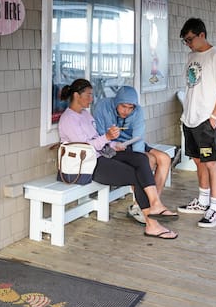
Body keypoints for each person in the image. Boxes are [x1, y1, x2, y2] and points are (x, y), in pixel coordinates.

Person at [58, 78, 178, 239]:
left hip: (104, 154)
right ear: (76, 95)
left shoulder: (85, 115)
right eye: (88, 95)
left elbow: (97, 140)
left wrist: (114, 144)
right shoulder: (68, 119)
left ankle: (156, 203)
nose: (91, 98)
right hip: (91, 165)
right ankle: (152, 225)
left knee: (141, 160)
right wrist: (107, 137)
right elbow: (87, 147)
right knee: (136, 175)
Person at [92, 86, 175, 225]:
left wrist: (137, 156)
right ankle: (140, 206)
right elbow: (99, 133)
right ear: (116, 102)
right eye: (123, 106)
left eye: (130, 107)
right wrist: (114, 143)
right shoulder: (103, 106)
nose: (127, 111)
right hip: (111, 147)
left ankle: (153, 204)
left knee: (164, 158)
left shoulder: (138, 111)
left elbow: (138, 138)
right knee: (148, 161)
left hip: (131, 143)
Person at [177, 18, 216, 228]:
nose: (188, 43)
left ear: (201, 35)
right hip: (190, 118)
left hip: (205, 120)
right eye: (185, 40)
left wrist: (214, 117)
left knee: (210, 163)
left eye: (190, 39)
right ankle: (202, 201)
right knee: (198, 161)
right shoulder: (191, 56)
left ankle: (215, 209)